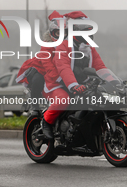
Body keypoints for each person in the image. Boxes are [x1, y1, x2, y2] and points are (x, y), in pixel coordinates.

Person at [41, 11, 106, 139]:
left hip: (82, 84)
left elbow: (100, 67)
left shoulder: (89, 48)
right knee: (63, 99)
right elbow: (64, 68)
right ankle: (46, 122)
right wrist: (73, 85)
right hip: (57, 83)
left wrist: (113, 82)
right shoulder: (62, 46)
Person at [16, 11, 67, 106]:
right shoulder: (46, 45)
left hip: (56, 71)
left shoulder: (68, 45)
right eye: (58, 32)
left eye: (63, 33)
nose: (61, 35)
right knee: (38, 81)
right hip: (39, 68)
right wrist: (60, 78)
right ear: (52, 33)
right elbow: (48, 65)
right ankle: (35, 107)